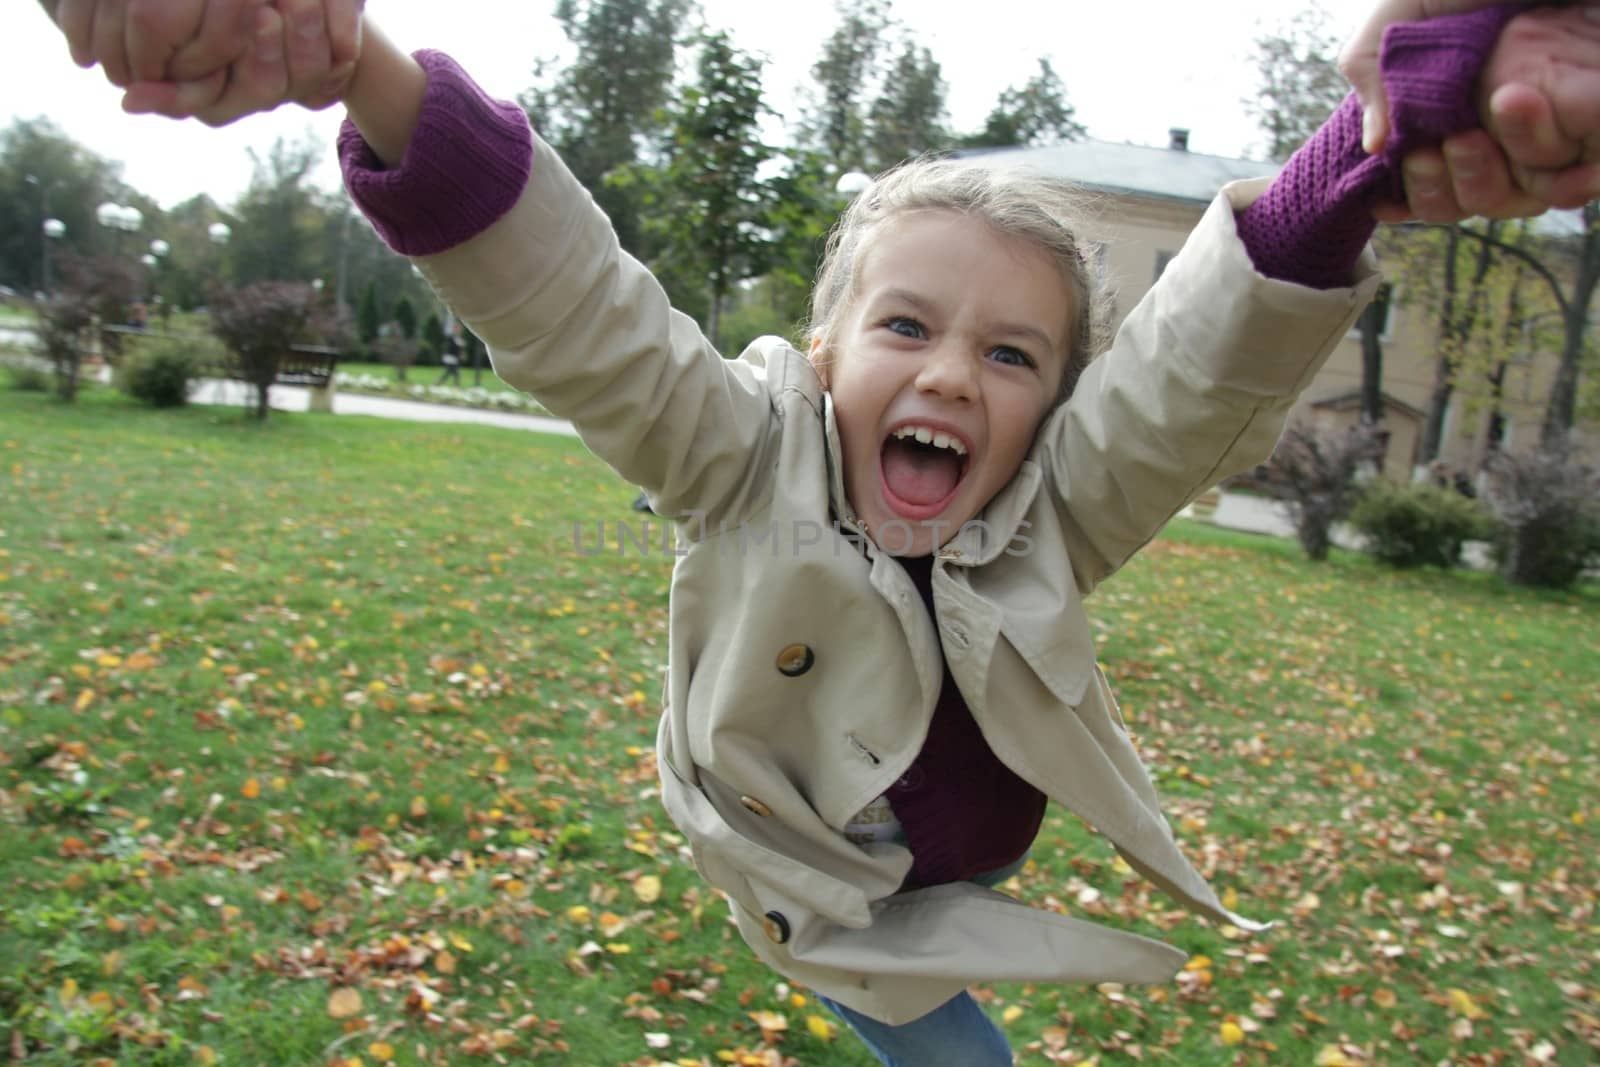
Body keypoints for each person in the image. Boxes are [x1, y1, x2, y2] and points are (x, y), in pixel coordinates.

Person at [41, 2, 1600, 1063]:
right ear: (826, 347)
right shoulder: (737, 456)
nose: (946, 374)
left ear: (1056, 403)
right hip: (836, 897)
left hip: (962, 880)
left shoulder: (1059, 503)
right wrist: (360, 63)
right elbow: (572, 297)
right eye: (907, 326)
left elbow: (1192, 372)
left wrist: (1365, 153)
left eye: (1011, 356)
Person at [438, 320, 463, 385]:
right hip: (450, 358)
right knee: (454, 373)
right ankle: (456, 386)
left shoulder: (459, 338)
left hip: (454, 359)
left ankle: (438, 384)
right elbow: (450, 348)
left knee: (451, 373)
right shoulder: (451, 338)